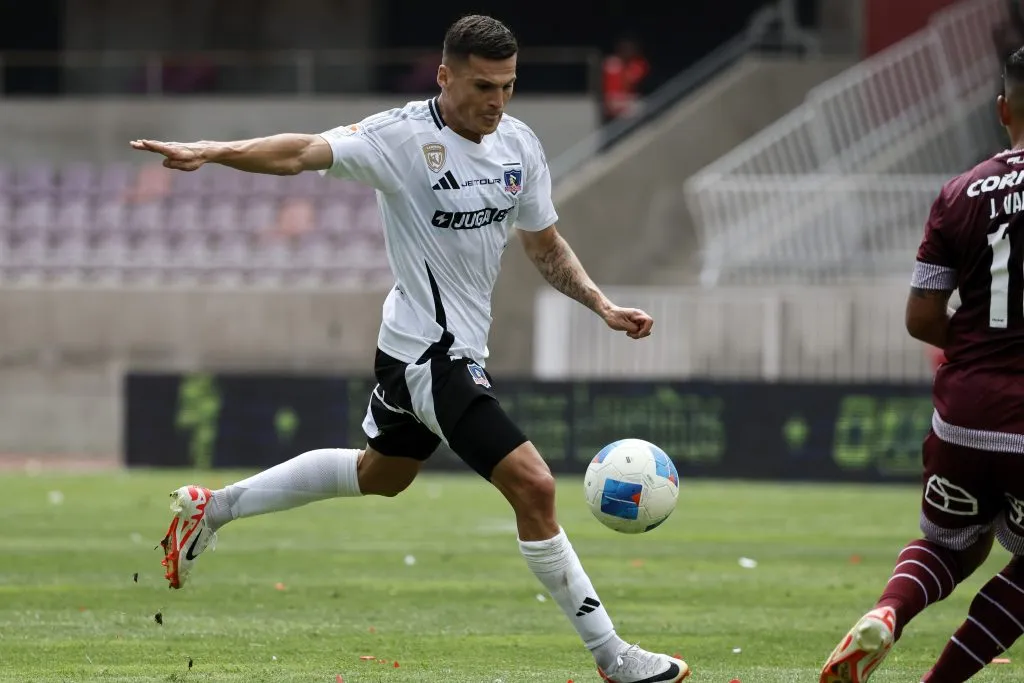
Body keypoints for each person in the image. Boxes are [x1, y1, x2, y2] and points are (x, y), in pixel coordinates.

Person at [130, 14, 688, 683]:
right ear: (445, 76)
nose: (497, 101)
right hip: (429, 355)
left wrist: (601, 304)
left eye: (508, 86)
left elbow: (544, 244)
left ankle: (212, 508)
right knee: (535, 485)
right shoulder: (398, 138)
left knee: (381, 475)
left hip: (427, 350)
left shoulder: (519, 146)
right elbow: (300, 152)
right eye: (483, 86)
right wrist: (215, 150)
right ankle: (614, 656)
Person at [819, 46, 1024, 683]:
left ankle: (888, 611)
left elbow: (922, 316)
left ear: (1003, 110)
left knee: (948, 544)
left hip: (962, 414)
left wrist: (979, 348)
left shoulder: (959, 193)